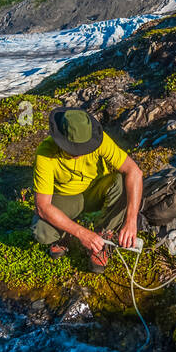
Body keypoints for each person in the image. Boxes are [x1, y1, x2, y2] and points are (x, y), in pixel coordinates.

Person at [31, 107, 143, 272]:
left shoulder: (100, 141)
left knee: (120, 182)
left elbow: (134, 171)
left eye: (83, 148)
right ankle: (68, 235)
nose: (78, 154)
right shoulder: (45, 153)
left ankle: (104, 237)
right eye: (72, 149)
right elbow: (43, 206)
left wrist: (131, 220)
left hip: (96, 192)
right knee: (41, 231)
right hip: (67, 199)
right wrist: (81, 233)